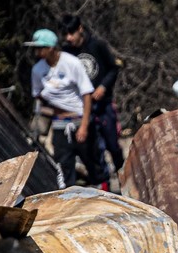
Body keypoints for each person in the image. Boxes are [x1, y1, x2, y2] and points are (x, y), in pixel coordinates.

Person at [25, 28, 109, 188]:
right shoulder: (37, 70)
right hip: (59, 124)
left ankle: (105, 194)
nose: (37, 51)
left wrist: (84, 126)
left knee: (93, 164)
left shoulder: (71, 63)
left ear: (50, 47)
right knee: (64, 165)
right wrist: (52, 111)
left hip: (79, 119)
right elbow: (38, 95)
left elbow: (86, 94)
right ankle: (69, 200)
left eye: (40, 47)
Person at [60, 14, 124, 172]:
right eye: (65, 34)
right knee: (94, 149)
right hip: (82, 109)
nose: (69, 38)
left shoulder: (97, 46)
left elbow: (113, 68)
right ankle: (104, 182)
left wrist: (103, 86)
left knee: (112, 144)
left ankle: (123, 170)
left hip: (104, 106)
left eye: (71, 33)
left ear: (80, 29)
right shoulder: (66, 52)